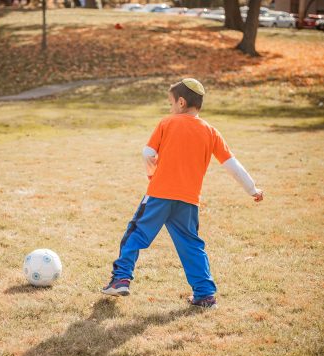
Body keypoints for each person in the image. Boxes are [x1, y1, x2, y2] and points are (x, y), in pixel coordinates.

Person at [101, 78, 263, 308]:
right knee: (191, 244)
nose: (170, 108)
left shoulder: (167, 123)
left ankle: (120, 279)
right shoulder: (211, 131)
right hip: (188, 200)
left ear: (181, 102)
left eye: (170, 103)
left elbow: (147, 153)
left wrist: (151, 173)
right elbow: (232, 165)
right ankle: (205, 294)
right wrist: (252, 189)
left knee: (135, 235)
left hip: (159, 194)